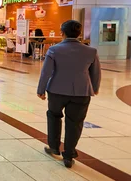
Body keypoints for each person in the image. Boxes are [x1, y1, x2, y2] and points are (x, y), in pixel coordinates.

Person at [37, 20, 101, 168]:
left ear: (62, 33)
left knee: (54, 116)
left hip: (56, 90)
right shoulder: (91, 51)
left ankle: (54, 147)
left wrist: (41, 90)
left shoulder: (54, 50)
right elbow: (96, 72)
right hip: (82, 92)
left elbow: (46, 72)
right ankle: (69, 155)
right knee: (75, 122)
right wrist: (95, 87)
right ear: (79, 34)